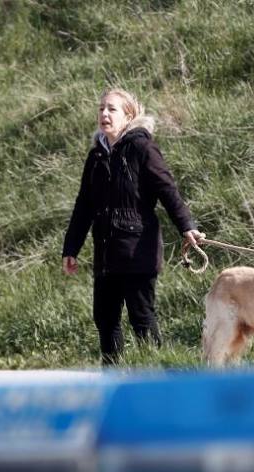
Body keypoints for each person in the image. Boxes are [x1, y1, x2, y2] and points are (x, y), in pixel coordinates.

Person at [62, 88, 203, 365]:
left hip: (138, 249)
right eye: (101, 108)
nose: (104, 114)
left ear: (129, 115)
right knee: (105, 318)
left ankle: (156, 379)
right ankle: (113, 381)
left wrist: (187, 226)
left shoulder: (142, 147)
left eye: (112, 109)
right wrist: (71, 248)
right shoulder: (96, 157)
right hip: (106, 251)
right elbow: (84, 206)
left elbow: (167, 189)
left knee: (142, 317)